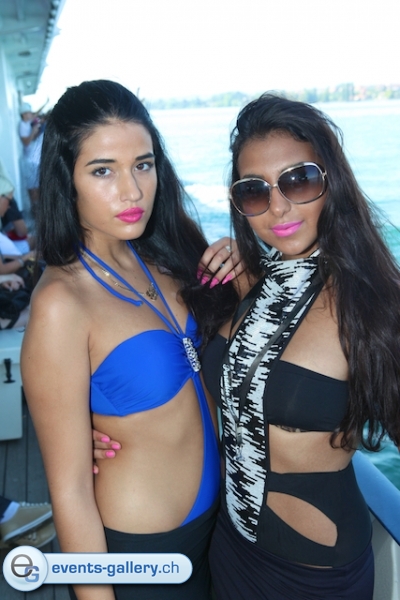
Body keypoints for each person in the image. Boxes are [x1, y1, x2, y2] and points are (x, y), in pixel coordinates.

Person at [95, 94, 400, 599]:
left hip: (312, 576)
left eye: (299, 180)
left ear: (332, 182)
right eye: (255, 190)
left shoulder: (371, 303)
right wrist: (109, 431)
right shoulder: (248, 284)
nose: (278, 207)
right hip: (227, 543)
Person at [21, 80, 240, 600]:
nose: (133, 191)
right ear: (67, 179)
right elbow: (71, 493)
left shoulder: (169, 255)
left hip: (222, 530)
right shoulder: (62, 303)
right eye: (103, 170)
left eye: (143, 164)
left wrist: (243, 269)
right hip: (144, 556)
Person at [18, 101, 48, 207]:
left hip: (34, 159)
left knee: (37, 185)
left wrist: (45, 103)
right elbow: (26, 142)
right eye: (29, 113)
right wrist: (33, 132)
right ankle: (35, 208)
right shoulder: (22, 125)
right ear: (24, 114)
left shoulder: (27, 122)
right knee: (32, 186)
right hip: (29, 161)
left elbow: (36, 113)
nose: (31, 114)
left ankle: (37, 207)